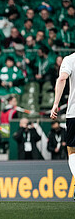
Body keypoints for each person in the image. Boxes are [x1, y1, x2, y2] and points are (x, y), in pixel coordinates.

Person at [51, 52, 75, 199]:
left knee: (72, 150)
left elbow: (62, 79)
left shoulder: (70, 59)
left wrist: (55, 104)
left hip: (74, 113)